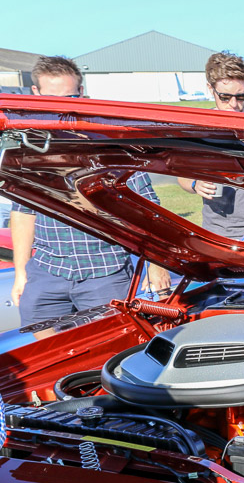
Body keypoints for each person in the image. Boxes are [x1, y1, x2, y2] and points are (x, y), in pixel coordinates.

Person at [10, 56, 171, 329]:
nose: (61, 108)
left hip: (105, 272)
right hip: (47, 272)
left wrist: (157, 264)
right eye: (51, 100)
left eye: (70, 98)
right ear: (35, 93)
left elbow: (149, 210)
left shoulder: (112, 144)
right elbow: (23, 212)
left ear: (82, 93)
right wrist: (21, 272)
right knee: (42, 347)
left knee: (110, 345)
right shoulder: (28, 148)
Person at [177, 52, 244, 238]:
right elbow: (182, 175)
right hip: (218, 231)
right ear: (210, 88)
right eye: (225, 97)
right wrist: (195, 184)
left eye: (241, 96)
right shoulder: (197, 130)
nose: (233, 104)